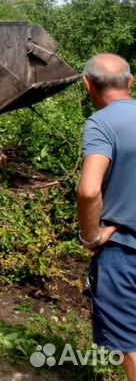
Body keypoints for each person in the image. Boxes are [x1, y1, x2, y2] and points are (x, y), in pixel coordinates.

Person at [78, 53, 136, 379]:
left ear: (88, 86)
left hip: (124, 249)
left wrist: (92, 236)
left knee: (129, 342)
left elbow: (89, 190)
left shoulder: (102, 123)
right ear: (131, 82)